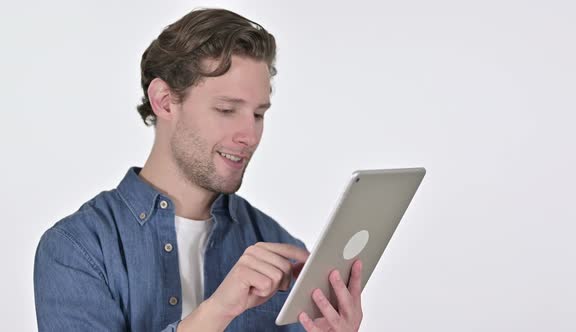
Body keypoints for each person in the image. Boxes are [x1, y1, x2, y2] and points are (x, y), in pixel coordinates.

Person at [33, 8, 363, 332]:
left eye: (258, 114)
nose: (249, 135)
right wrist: (218, 311)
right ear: (164, 100)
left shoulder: (280, 248)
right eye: (226, 109)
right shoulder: (78, 249)